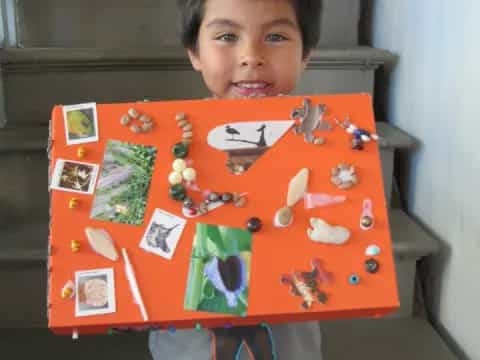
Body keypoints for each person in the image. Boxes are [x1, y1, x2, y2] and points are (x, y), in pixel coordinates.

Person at [150, 0, 323, 358]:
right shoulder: (167, 146)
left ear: (306, 53)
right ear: (194, 52)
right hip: (187, 345)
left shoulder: (325, 145)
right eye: (227, 36)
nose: (251, 56)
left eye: (275, 36)